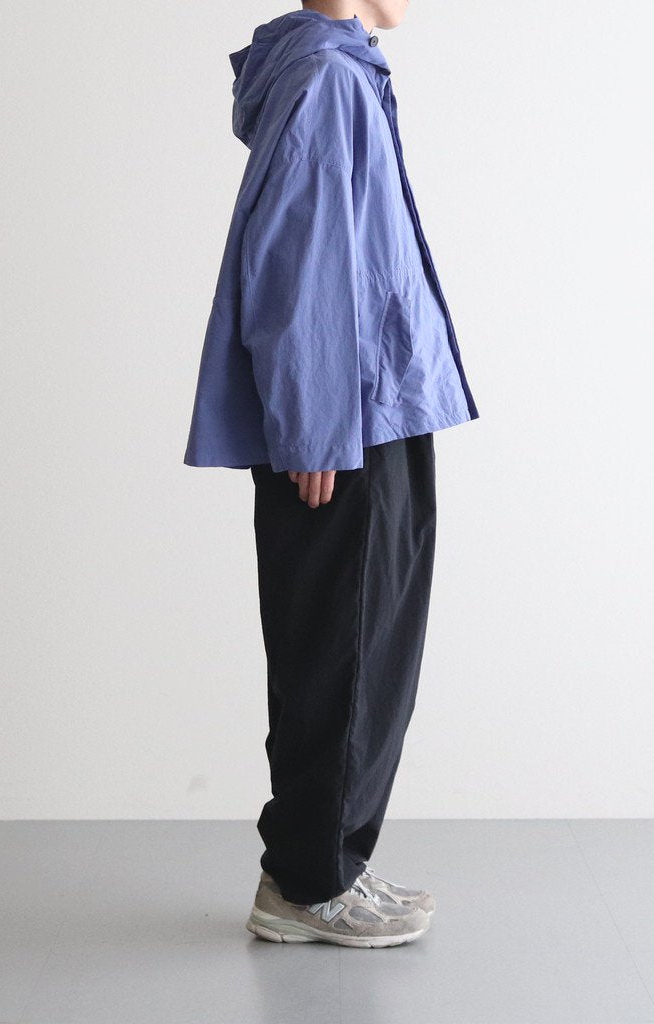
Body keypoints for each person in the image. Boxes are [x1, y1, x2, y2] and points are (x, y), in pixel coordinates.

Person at [183, 0, 480, 947]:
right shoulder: (325, 76)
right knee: (344, 648)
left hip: (372, 401)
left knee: (361, 644)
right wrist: (314, 423)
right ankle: (311, 882)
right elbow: (299, 254)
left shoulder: (340, 67)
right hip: (344, 416)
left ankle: (327, 861)